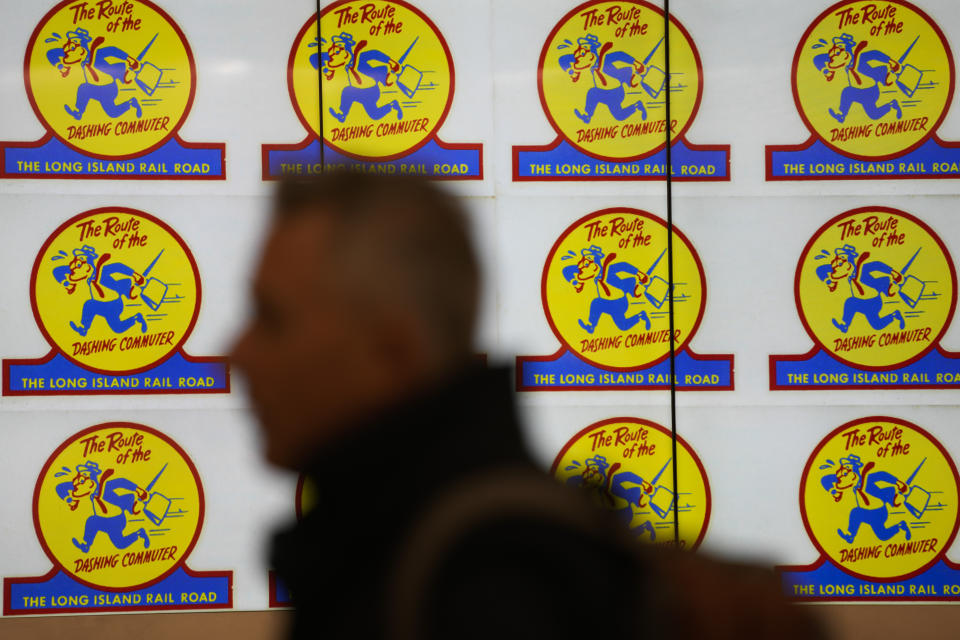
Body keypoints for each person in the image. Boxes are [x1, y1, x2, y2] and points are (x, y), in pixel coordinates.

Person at [231, 172, 827, 640]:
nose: (234, 355)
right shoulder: (388, 546)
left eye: (271, 318)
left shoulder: (484, 584)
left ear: (393, 353)